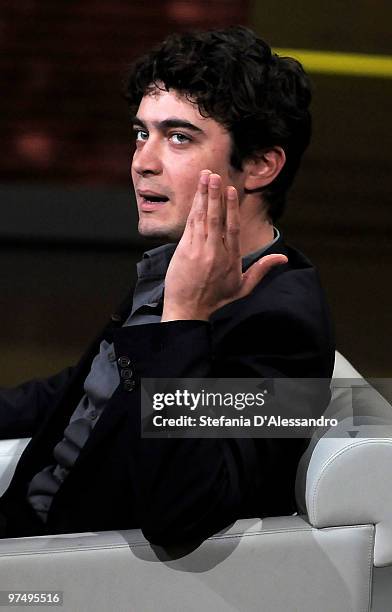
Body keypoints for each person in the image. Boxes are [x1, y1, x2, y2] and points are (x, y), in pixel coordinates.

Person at [0, 26, 334, 543]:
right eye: (142, 133)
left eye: (178, 137)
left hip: (62, 559)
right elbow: (85, 391)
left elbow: (180, 512)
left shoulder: (281, 322)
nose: (142, 162)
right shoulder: (178, 262)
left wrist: (184, 319)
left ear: (260, 165)